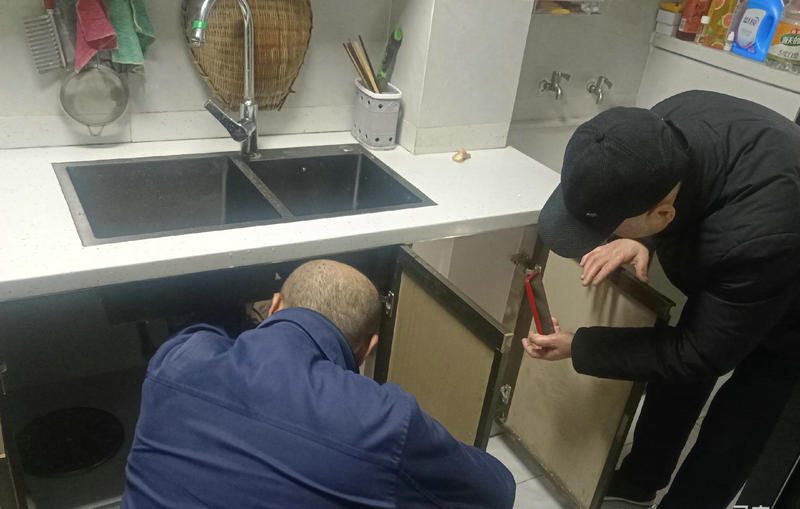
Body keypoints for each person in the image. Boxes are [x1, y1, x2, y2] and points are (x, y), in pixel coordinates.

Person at [524, 91, 800, 508]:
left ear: (662, 215)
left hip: (789, 261)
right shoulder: (652, 131)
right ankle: (639, 481)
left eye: (611, 229)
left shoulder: (756, 242)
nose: (602, 239)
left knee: (751, 397)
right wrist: (639, 240)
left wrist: (580, 345)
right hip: (754, 213)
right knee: (680, 366)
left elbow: (700, 354)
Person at [122, 259, 515, 508]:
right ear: (366, 351)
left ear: (274, 306)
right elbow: (497, 493)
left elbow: (207, 328)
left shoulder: (177, 359)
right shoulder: (383, 420)